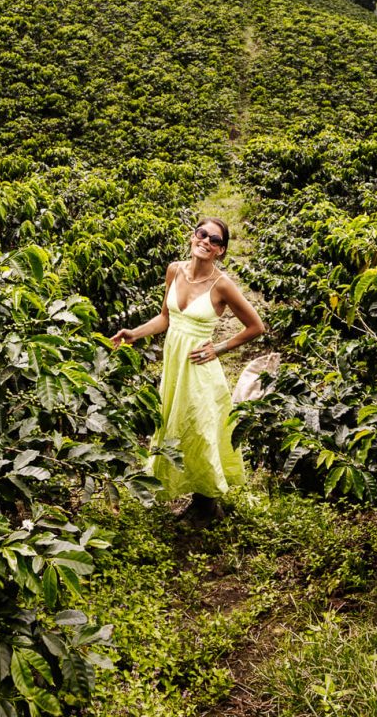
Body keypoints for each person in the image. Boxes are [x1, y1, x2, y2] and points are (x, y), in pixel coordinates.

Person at [112, 218, 265, 525]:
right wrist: (135, 333)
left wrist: (218, 348)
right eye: (202, 234)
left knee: (199, 429)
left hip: (199, 367)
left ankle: (208, 505)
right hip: (174, 363)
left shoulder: (221, 284)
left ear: (221, 250)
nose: (206, 241)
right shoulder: (174, 270)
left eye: (215, 240)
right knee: (176, 423)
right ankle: (199, 501)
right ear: (193, 236)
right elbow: (165, 318)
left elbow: (256, 327)